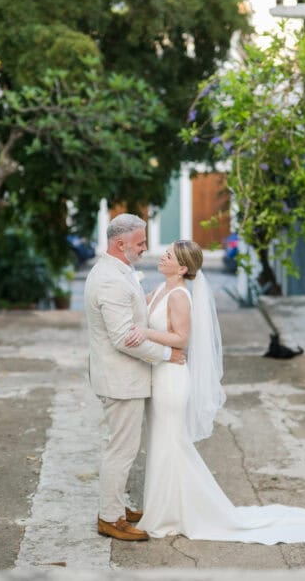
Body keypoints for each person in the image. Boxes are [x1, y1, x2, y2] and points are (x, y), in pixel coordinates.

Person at [124, 239, 305, 544]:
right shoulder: (161, 289)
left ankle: (171, 514)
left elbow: (182, 338)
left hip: (172, 380)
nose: (162, 257)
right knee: (163, 443)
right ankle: (165, 509)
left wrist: (147, 333)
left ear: (183, 267)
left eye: (168, 255)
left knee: (171, 444)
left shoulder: (179, 296)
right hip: (159, 375)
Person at [84, 214, 186, 542]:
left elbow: (134, 314)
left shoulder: (118, 269)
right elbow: (124, 336)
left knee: (123, 447)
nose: (145, 249)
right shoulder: (110, 279)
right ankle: (109, 518)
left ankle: (117, 505)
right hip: (120, 380)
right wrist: (168, 355)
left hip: (121, 377)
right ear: (120, 244)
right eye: (140, 243)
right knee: (122, 450)